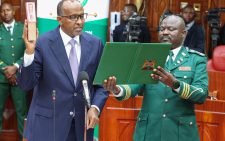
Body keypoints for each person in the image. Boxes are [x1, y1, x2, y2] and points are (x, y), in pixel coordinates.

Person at [103, 15, 208, 141]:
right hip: (150, 131)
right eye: (162, 29)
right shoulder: (148, 55)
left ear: (183, 33)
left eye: (171, 29)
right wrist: (116, 89)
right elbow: (134, 86)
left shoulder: (196, 59)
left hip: (180, 133)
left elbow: (201, 95)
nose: (165, 32)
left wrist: (175, 84)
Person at [17, 0, 108, 141]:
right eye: (73, 17)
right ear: (59, 19)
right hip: (48, 127)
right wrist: (29, 52)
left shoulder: (95, 44)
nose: (79, 22)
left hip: (80, 128)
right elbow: (26, 84)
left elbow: (102, 84)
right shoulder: (43, 43)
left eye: (82, 16)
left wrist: (95, 107)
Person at [0, 2, 27, 139]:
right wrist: (5, 69)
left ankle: (24, 138)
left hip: (19, 77)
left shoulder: (23, 29)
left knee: (22, 112)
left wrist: (16, 66)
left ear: (13, 11)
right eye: (3, 11)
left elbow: (29, 51)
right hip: (1, 79)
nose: (6, 13)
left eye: (8, 10)